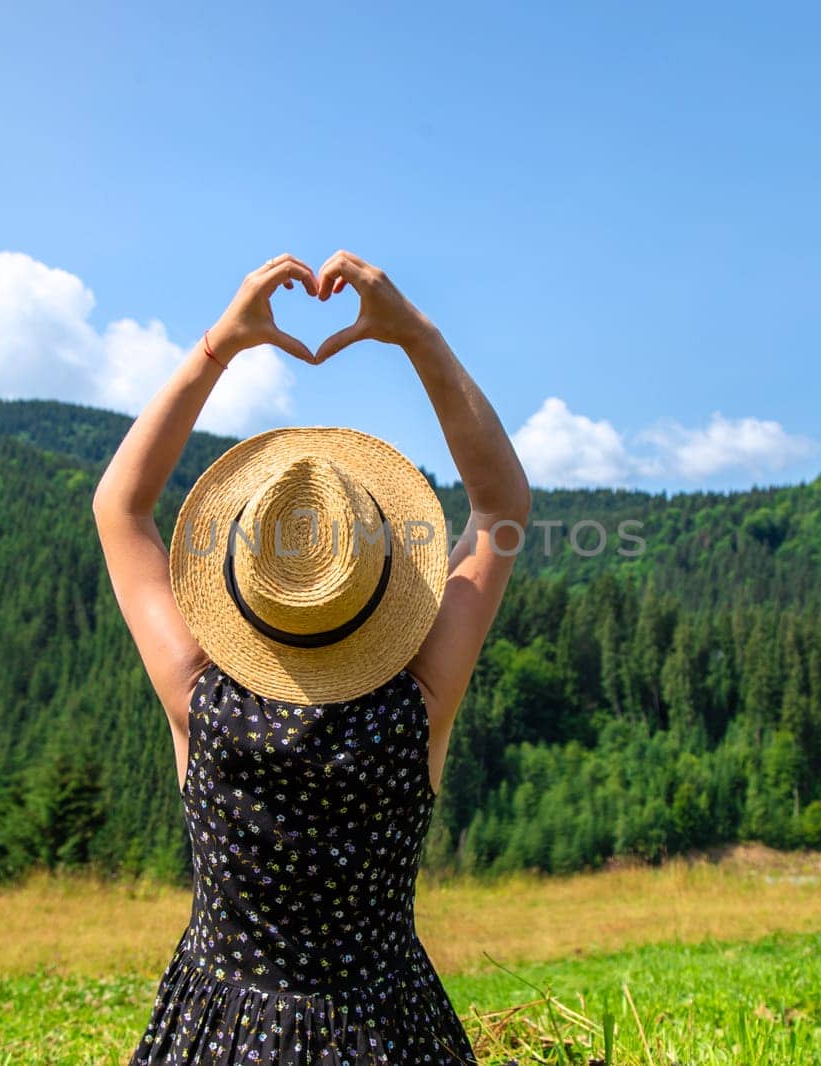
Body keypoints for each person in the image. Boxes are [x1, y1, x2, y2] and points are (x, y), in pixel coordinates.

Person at [92, 250, 531, 1064]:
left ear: (238, 591)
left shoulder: (199, 702)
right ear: (381, 584)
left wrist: (221, 341)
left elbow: (120, 510)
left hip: (217, 1032)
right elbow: (501, 505)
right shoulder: (417, 708)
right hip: (390, 1031)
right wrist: (416, 335)